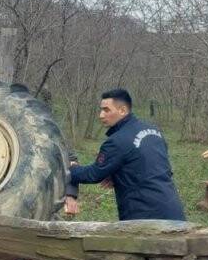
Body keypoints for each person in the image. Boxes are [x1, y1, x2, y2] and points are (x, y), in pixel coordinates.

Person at [69, 89, 185, 221]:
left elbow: (93, 174)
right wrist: (119, 174)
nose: (101, 115)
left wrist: (70, 169)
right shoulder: (154, 132)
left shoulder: (117, 141)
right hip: (174, 212)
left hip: (144, 217)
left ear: (122, 110)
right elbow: (155, 166)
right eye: (101, 110)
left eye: (106, 110)